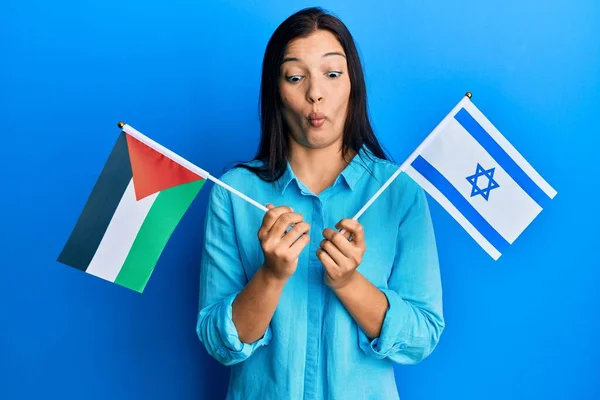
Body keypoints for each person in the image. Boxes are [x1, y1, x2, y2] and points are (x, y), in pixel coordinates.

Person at [196, 7, 444, 400]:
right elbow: (218, 342)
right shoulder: (233, 192)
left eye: (332, 74)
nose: (316, 93)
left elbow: (422, 335)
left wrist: (348, 282)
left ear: (353, 86)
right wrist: (271, 275)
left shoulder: (399, 192)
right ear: (276, 91)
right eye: (296, 77)